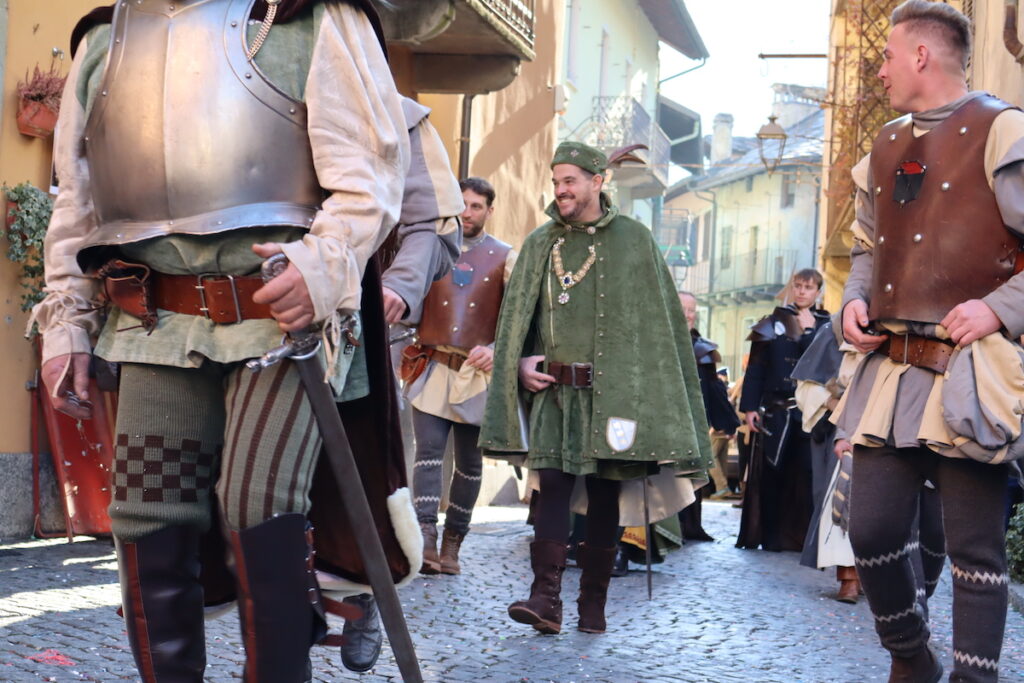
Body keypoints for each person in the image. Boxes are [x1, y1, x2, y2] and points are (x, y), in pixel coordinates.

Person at [32, 1, 418, 680]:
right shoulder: (106, 37)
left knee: (257, 501)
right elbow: (77, 203)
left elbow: (371, 177)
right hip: (153, 322)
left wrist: (320, 266)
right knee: (145, 515)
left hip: (280, 316)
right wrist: (67, 322)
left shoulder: (308, 20)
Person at [833, 2, 1024, 679]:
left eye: (887, 55)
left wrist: (1001, 307)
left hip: (972, 367)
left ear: (921, 56)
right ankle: (913, 659)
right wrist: (854, 299)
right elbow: (865, 247)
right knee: (873, 529)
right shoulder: (883, 146)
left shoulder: (1004, 130)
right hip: (891, 368)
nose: (879, 68)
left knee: (975, 548)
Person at [479, 141, 711, 635]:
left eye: (570, 181)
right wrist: (521, 362)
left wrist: (650, 400)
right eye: (556, 181)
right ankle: (545, 598)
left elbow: (657, 327)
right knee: (552, 490)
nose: (560, 190)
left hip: (617, 400)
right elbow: (520, 318)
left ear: (596, 182)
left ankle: (593, 605)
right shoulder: (542, 242)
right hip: (556, 395)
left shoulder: (636, 240)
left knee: (606, 499)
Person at [339, 95, 463, 673]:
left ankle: (365, 597)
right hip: (259, 316)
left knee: (362, 474)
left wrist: (398, 286)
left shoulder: (399, 114)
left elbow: (436, 228)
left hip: (362, 325)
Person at [400, 177, 517, 575]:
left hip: (476, 373)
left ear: (489, 210)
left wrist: (499, 350)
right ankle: (426, 541)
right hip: (432, 364)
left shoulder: (506, 257)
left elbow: (521, 319)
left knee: (469, 463)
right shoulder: (430, 249)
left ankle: (453, 545)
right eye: (462, 204)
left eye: (477, 206)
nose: (468, 213)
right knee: (428, 454)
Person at [737, 269, 829, 551]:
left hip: (811, 411)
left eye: (809, 287)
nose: (802, 292)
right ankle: (772, 537)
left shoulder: (827, 325)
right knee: (773, 474)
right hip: (776, 411)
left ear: (818, 292)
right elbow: (756, 368)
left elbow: (826, 365)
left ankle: (802, 539)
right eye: (798, 286)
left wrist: (810, 330)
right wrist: (750, 408)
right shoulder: (771, 322)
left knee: (808, 474)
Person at [677, 290, 740, 541]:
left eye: (691, 310)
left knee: (694, 475)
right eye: (683, 309)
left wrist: (728, 422)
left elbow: (713, 387)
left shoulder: (700, 348)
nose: (688, 315)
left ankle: (692, 526)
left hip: (696, 422)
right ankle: (673, 529)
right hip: (670, 423)